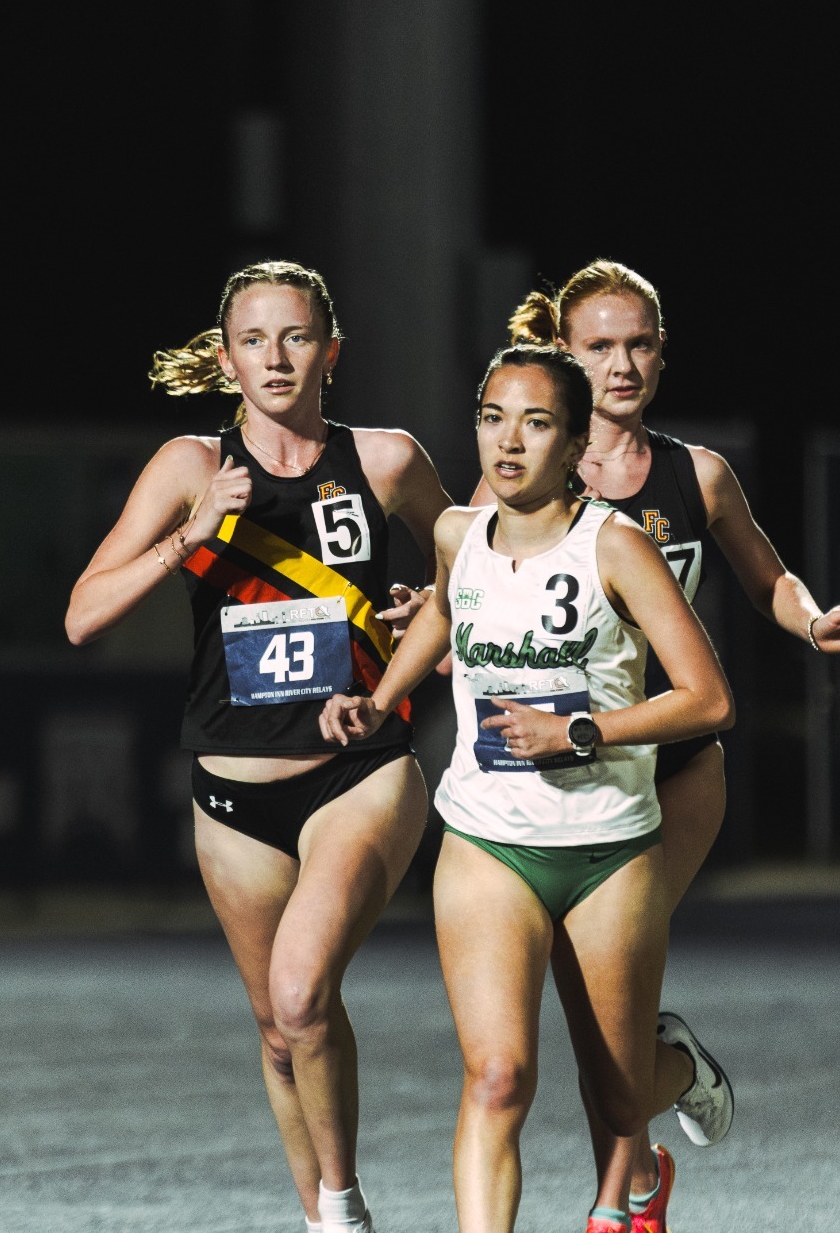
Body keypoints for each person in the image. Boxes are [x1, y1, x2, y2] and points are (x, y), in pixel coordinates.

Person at [487, 260, 840, 1229]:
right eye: (598, 347)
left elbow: (767, 577)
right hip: (568, 773)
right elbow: (476, 585)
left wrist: (811, 618)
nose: (620, 365)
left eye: (637, 345)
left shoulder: (696, 475)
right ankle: (671, 1093)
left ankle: (615, 1205)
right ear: (564, 355)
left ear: (662, 355)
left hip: (675, 769)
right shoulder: (525, 470)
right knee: (595, 1018)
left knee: (608, 996)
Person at [66, 261, 452, 1233]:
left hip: (358, 774)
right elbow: (81, 615)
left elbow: (473, 573)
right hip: (232, 796)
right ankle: (322, 1216)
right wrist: (190, 535)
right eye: (253, 340)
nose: (275, 358)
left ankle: (344, 1207)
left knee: (301, 992)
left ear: (331, 351)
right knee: (280, 1032)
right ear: (226, 359)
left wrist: (429, 611)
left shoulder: (386, 460)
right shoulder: (189, 467)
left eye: (295, 337)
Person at [322, 344, 734, 1233]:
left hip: (608, 849)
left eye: (536, 422)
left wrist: (577, 731)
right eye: (492, 418)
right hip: (487, 841)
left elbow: (710, 697)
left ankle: (682, 1071)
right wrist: (380, 698)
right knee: (498, 1076)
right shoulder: (455, 533)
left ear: (576, 443)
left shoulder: (616, 546)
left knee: (618, 1096)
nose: (508, 441)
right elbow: (445, 608)